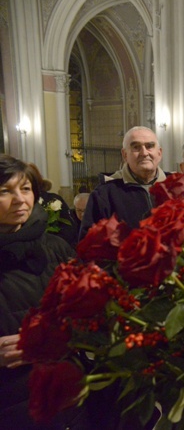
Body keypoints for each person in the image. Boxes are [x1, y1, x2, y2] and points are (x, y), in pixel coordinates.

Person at [0, 154, 89, 429]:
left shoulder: (56, 247)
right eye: (5, 191)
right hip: (12, 402)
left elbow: (89, 312)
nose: (19, 199)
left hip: (68, 394)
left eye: (25, 189)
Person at [79, 126, 166, 240]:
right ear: (125, 154)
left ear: (159, 153)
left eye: (150, 146)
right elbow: (89, 244)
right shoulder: (105, 194)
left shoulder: (175, 187)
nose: (144, 153)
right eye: (136, 147)